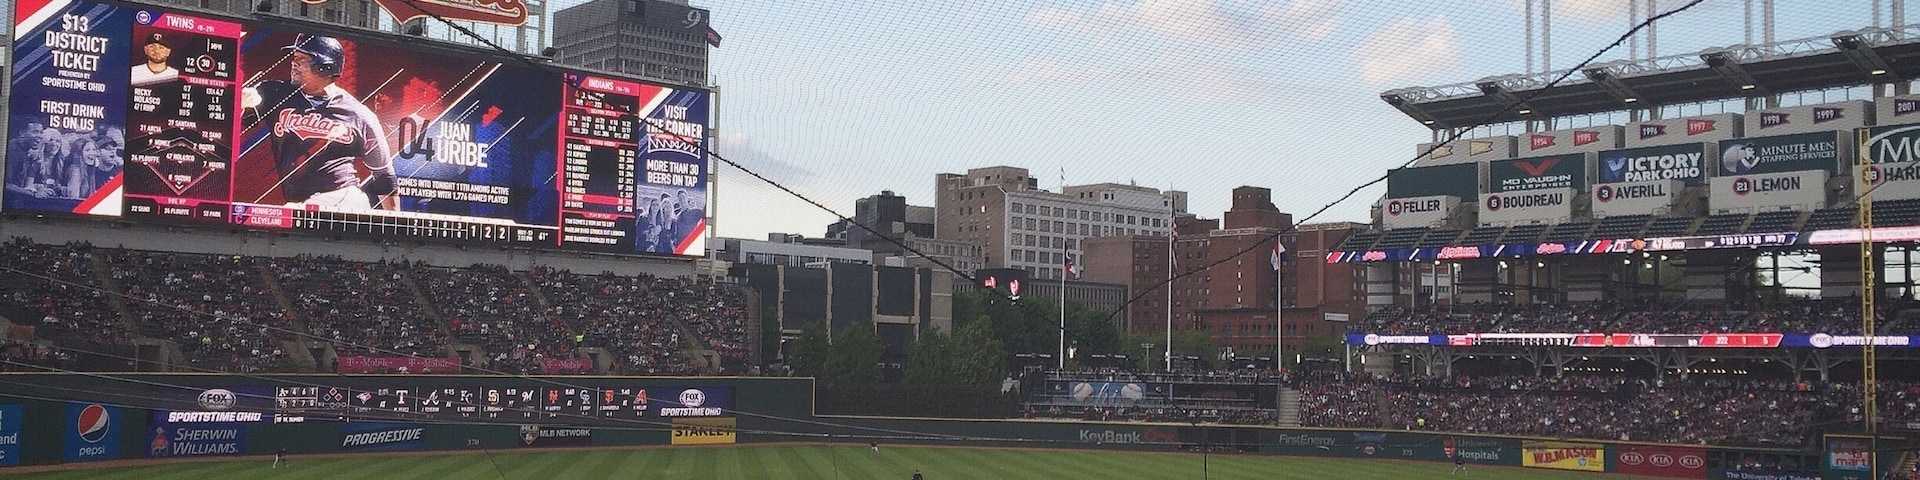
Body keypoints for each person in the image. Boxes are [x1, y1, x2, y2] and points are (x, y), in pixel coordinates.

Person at [241, 33, 396, 210]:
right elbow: (247, 104)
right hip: (302, 203)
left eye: (302, 58)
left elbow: (384, 174)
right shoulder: (275, 93)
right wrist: (244, 98)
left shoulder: (359, 114)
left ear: (325, 67)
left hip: (343, 199)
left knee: (290, 215)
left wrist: (397, 227)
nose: (294, 63)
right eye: (294, 57)